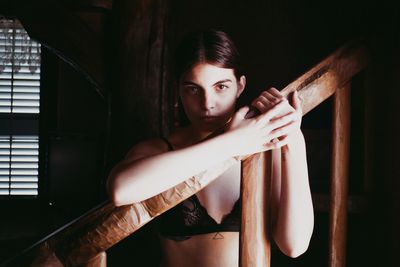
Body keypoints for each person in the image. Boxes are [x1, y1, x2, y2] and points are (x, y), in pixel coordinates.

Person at [107, 29, 314, 267]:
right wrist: (231, 143)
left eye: (221, 87)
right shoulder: (160, 150)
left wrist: (294, 140)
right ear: (178, 90)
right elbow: (120, 190)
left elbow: (295, 245)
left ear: (240, 85)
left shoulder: (268, 150)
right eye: (193, 89)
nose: (207, 104)